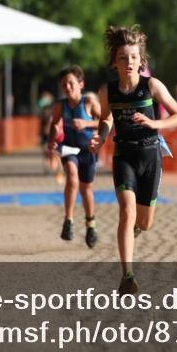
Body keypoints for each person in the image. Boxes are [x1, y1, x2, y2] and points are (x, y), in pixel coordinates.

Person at [89, 25, 177, 295]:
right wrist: (101, 136)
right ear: (114, 62)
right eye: (123, 58)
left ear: (141, 60)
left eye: (133, 57)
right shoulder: (107, 91)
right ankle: (127, 276)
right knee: (126, 211)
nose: (128, 62)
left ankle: (138, 229)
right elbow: (106, 118)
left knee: (144, 223)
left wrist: (154, 123)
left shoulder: (151, 86)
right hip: (124, 156)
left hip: (150, 155)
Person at [48, 66, 101, 248]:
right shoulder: (60, 105)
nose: (67, 87)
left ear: (81, 84)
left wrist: (87, 123)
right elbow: (54, 124)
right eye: (64, 84)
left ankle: (91, 225)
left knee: (86, 189)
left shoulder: (89, 103)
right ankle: (68, 220)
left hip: (87, 150)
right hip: (69, 148)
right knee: (72, 177)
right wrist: (51, 141)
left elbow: (106, 121)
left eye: (71, 83)